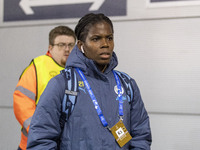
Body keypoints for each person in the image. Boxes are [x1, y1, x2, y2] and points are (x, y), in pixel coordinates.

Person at [27, 13, 152, 150]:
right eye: (96, 39)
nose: (105, 44)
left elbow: (141, 136)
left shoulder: (127, 84)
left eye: (109, 38)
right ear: (81, 45)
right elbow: (41, 140)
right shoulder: (62, 84)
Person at [13, 25, 76, 150]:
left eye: (71, 45)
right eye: (61, 45)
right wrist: (39, 132)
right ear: (50, 48)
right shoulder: (37, 67)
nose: (67, 49)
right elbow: (22, 102)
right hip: (35, 144)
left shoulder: (80, 70)